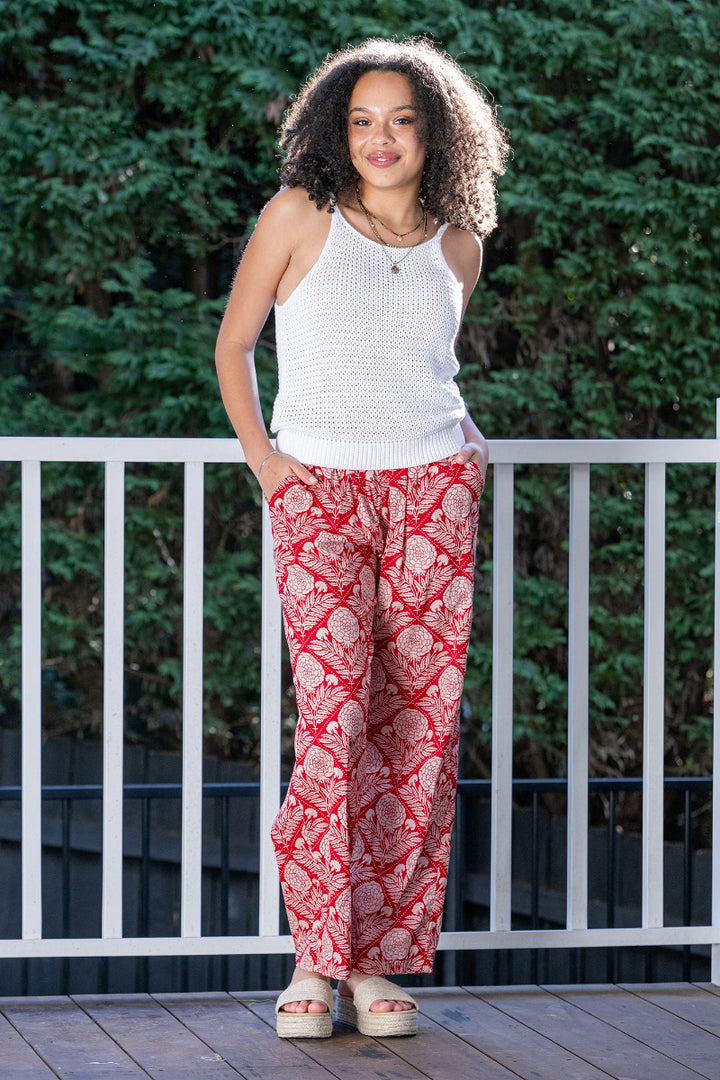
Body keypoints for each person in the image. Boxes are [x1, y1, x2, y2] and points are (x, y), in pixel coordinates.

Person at [215, 36, 509, 1039]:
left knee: (417, 729)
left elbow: (423, 365)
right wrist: (266, 463)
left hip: (433, 492)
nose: (383, 139)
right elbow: (235, 344)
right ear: (337, 130)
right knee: (335, 718)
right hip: (320, 493)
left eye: (403, 120)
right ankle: (316, 954)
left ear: (435, 133)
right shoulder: (298, 216)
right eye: (363, 120)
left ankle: (379, 963)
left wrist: (462, 456)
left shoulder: (459, 237)